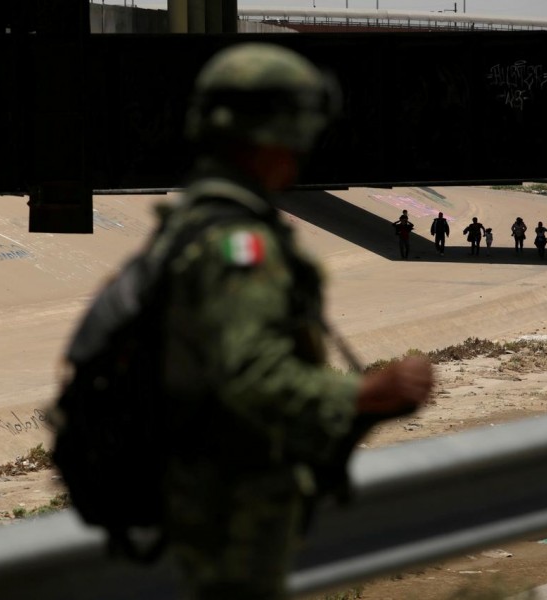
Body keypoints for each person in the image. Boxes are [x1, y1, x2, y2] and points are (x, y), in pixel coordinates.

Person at [161, 43, 434, 600]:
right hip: (229, 526)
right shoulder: (239, 244)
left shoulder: (197, 225)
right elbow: (251, 377)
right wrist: (366, 393)